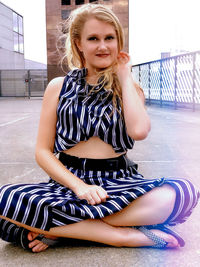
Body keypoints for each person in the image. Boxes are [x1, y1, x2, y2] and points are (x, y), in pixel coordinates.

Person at [0, 3, 199, 253]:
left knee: (184, 191)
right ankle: (120, 237)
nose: (103, 46)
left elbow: (139, 132)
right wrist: (80, 187)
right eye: (93, 38)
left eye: (109, 38)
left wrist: (125, 77)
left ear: (119, 41)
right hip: (68, 184)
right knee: (4, 199)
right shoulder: (58, 87)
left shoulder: (130, 89)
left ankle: (63, 229)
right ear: (79, 44)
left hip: (118, 185)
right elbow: (42, 151)